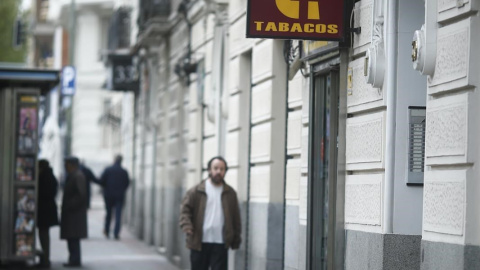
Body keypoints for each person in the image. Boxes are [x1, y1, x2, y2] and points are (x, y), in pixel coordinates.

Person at [179, 156, 242, 270]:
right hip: (199, 241)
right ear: (209, 170)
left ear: (225, 171)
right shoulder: (196, 191)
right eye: (216, 168)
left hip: (220, 242)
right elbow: (185, 210)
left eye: (222, 169)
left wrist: (236, 239)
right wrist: (187, 225)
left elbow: (235, 218)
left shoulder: (230, 193)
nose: (219, 171)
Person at [60, 157, 88, 268]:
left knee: (73, 238)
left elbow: (81, 195)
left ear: (72, 165)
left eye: (67, 164)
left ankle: (75, 259)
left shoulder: (78, 176)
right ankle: (73, 259)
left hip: (74, 215)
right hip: (72, 214)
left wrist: (70, 205)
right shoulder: (73, 175)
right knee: (71, 238)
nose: (65, 166)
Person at [99, 154, 130, 240]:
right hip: (119, 196)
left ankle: (107, 231)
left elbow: (102, 181)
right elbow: (127, 183)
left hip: (108, 196)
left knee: (108, 214)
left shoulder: (108, 170)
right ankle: (116, 233)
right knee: (118, 215)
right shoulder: (124, 171)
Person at [37, 159, 59, 268]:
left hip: (44, 211)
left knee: (44, 236)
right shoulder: (50, 176)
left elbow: (43, 193)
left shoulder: (44, 177)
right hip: (47, 211)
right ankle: (45, 259)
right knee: (44, 235)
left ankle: (45, 260)